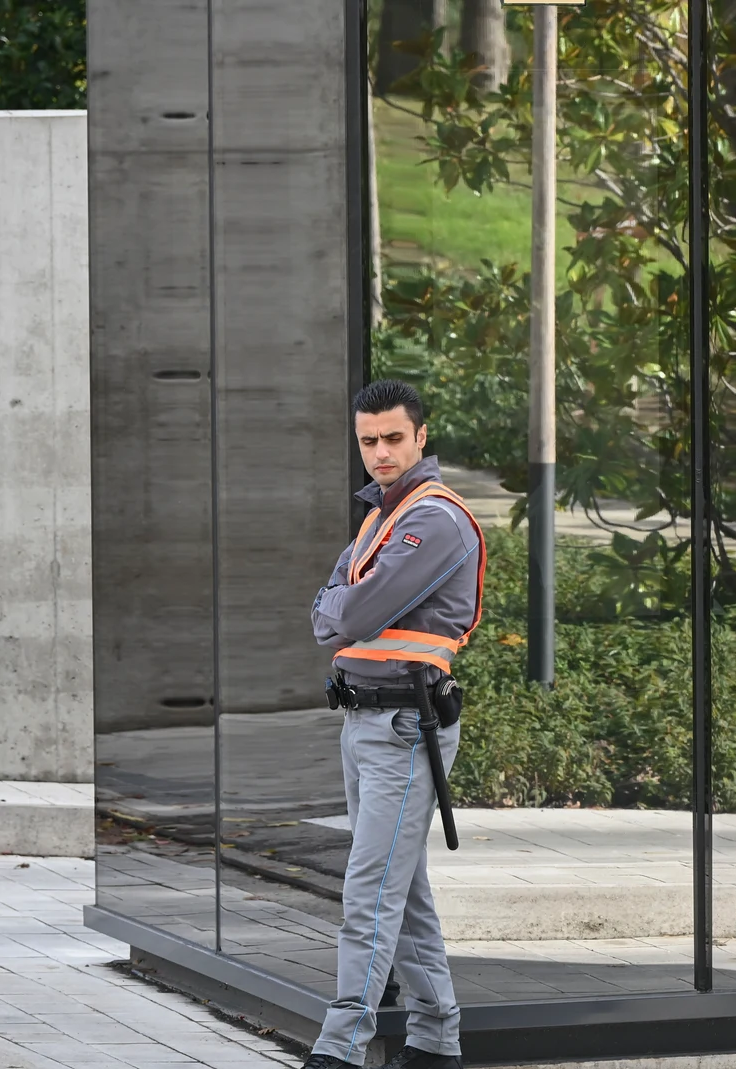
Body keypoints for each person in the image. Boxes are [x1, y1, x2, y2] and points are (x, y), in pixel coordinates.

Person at [303, 380, 486, 1069]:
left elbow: (343, 613)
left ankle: (340, 1049)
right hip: (365, 722)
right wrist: (344, 601)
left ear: (420, 435)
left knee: (369, 891)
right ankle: (437, 1038)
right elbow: (330, 609)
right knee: (397, 888)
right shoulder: (383, 515)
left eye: (392, 439)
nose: (379, 452)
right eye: (367, 441)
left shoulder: (432, 519)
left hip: (407, 726)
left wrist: (344, 600)